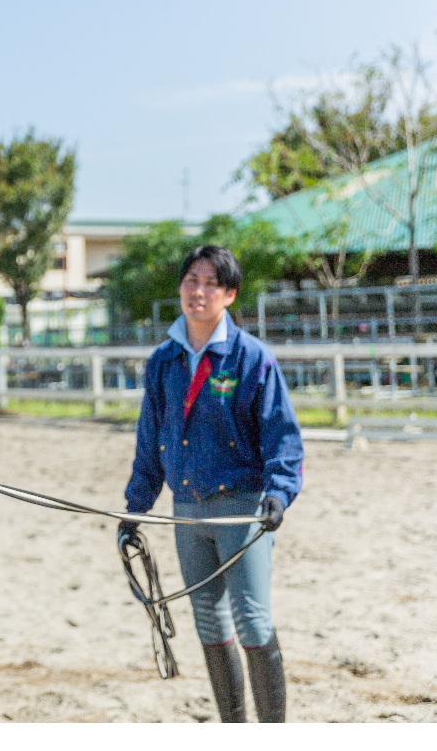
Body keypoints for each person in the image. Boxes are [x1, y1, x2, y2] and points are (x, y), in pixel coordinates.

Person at [120, 245, 303, 722]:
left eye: (209, 283)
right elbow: (150, 441)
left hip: (240, 511)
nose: (197, 291)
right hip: (187, 512)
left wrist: (279, 494)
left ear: (228, 295)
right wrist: (135, 506)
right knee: (207, 619)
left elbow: (283, 438)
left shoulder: (252, 359)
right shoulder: (163, 362)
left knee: (252, 620)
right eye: (190, 280)